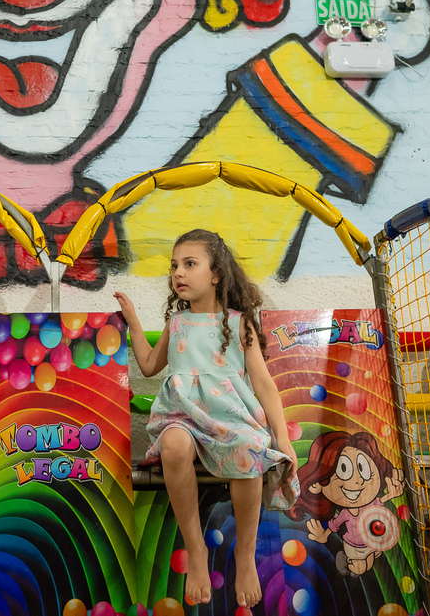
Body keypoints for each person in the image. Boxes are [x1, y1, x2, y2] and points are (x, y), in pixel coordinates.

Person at [114, 228, 299, 609]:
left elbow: (263, 384)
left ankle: (245, 555)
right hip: (182, 417)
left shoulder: (238, 323)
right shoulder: (178, 323)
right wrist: (133, 321)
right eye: (174, 266)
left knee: (250, 449)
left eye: (189, 264)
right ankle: (196, 549)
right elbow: (149, 365)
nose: (178, 273)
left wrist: (282, 438)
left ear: (216, 274)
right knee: (173, 444)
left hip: (228, 421)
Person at [288, 431, 405, 578]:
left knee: (368, 564)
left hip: (372, 543)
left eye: (363, 469)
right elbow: (333, 525)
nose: (357, 481)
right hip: (353, 546)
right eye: (344, 470)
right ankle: (349, 565)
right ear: (317, 484)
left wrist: (393, 494)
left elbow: (380, 502)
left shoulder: (370, 508)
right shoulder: (345, 514)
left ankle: (352, 565)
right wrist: (323, 536)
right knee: (360, 567)